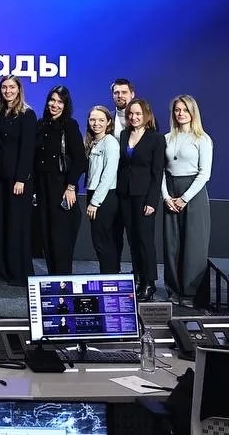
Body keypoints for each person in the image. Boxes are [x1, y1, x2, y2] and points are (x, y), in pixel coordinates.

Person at [162, 95, 213, 307]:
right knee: (171, 244)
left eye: (185, 109)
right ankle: (173, 289)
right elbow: (160, 171)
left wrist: (184, 198)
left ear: (193, 112)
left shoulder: (202, 139)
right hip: (170, 191)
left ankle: (191, 293)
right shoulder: (167, 138)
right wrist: (166, 196)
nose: (180, 113)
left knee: (193, 245)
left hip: (193, 193)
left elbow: (205, 173)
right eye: (177, 110)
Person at [32, 85, 87, 275]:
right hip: (42, 187)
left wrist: (71, 187)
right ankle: (52, 277)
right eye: (52, 100)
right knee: (46, 235)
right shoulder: (41, 124)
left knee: (60, 238)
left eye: (60, 102)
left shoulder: (70, 125)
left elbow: (80, 160)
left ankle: (63, 280)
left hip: (62, 187)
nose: (55, 105)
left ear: (66, 105)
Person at [0, 75, 36, 285]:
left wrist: (21, 178)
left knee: (16, 225)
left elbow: (28, 149)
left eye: (12, 87)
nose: (8, 91)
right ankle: (0, 270)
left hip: (17, 180)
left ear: (19, 89)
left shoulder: (27, 114)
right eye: (4, 87)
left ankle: (17, 273)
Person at [117, 98, 166, 302]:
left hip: (144, 196)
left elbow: (157, 173)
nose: (134, 117)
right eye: (130, 113)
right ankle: (137, 278)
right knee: (133, 240)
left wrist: (152, 201)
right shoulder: (124, 134)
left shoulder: (156, 139)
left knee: (145, 240)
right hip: (125, 194)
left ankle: (149, 282)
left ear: (146, 115)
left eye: (138, 114)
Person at [83, 105, 121, 273]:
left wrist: (95, 202)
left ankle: (110, 278)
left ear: (108, 122)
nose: (96, 123)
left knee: (103, 241)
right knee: (99, 241)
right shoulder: (93, 142)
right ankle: (109, 275)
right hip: (94, 193)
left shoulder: (110, 142)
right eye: (93, 119)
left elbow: (108, 175)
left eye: (101, 120)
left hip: (105, 197)